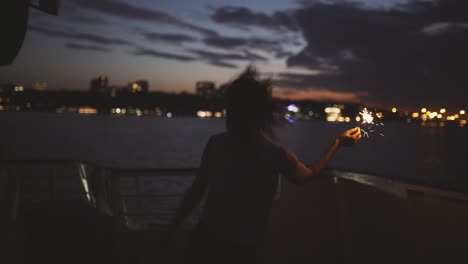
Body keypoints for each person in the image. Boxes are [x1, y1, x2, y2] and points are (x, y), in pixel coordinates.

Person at [166, 66, 362, 264]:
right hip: (238, 249)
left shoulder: (217, 144)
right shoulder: (274, 155)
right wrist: (337, 145)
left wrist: (173, 226)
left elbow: (197, 190)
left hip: (205, 241)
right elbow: (307, 175)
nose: (228, 115)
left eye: (232, 109)